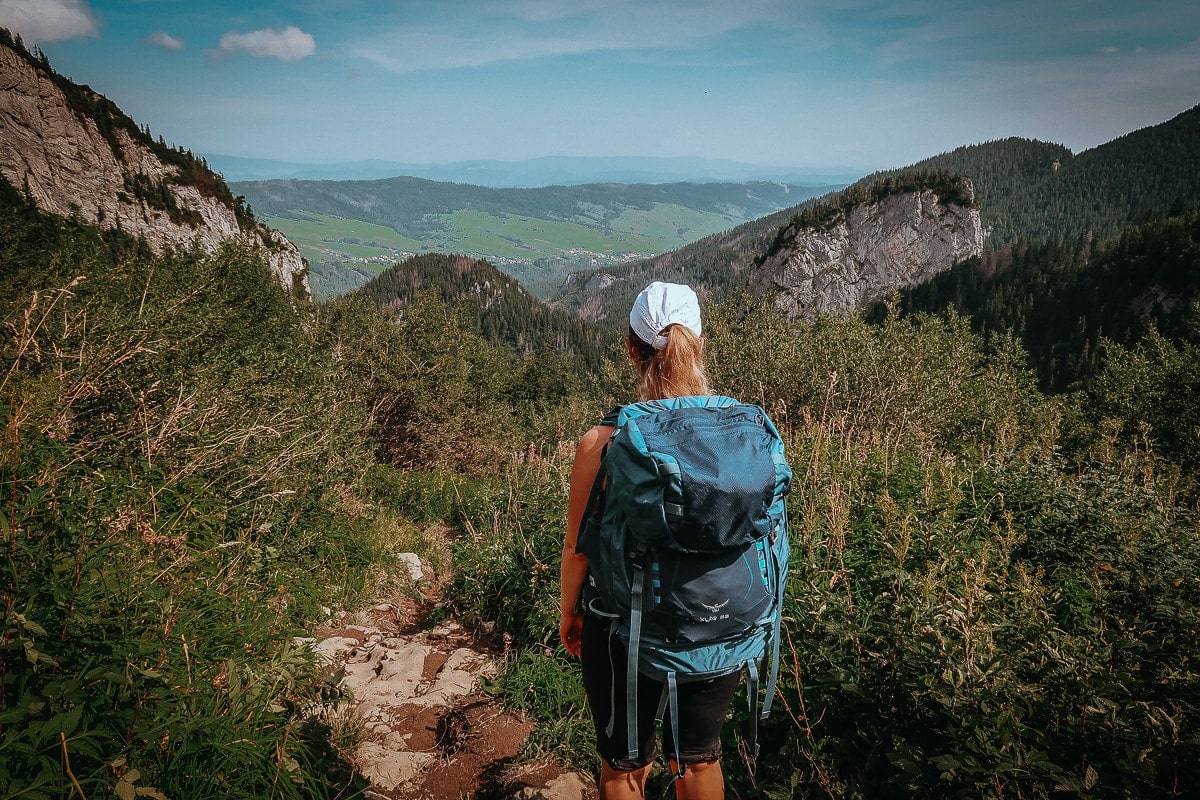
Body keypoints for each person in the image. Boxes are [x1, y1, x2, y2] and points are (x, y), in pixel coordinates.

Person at [560, 282, 739, 800]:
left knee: (623, 766)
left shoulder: (603, 442)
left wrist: (571, 612)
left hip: (623, 629)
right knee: (699, 761)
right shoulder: (735, 432)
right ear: (699, 342)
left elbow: (578, 547)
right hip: (716, 619)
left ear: (631, 348)